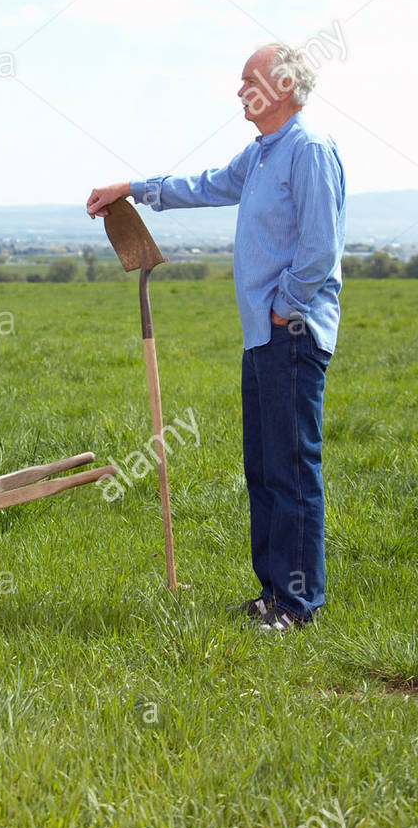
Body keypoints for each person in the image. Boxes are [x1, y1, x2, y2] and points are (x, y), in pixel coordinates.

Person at [86, 43, 345, 632]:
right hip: (264, 335)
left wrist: (287, 307)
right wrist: (130, 187)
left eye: (247, 79)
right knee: (263, 466)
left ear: (280, 86)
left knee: (293, 469)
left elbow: (321, 246)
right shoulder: (260, 156)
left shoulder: (308, 150)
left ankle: (298, 606)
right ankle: (273, 593)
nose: (238, 91)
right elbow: (200, 186)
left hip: (292, 334)